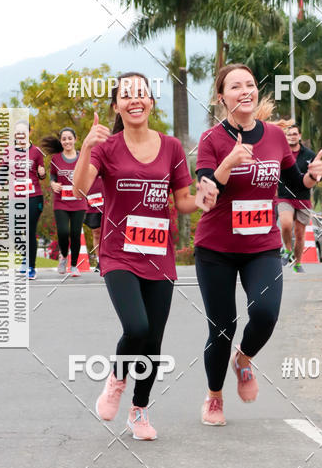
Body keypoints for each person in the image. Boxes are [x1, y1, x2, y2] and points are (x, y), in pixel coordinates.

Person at [73, 72, 217, 440]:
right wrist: (88, 146)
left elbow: (182, 201)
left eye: (142, 93)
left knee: (153, 340)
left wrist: (202, 199)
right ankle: (116, 380)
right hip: (118, 253)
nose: (135, 100)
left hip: (159, 256)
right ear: (117, 105)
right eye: (126, 95)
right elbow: (80, 188)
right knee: (135, 327)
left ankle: (139, 410)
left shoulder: (170, 147)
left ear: (151, 102)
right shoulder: (106, 147)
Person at [194, 63, 322, 426]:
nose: (245, 91)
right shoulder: (211, 140)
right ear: (222, 97)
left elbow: (294, 181)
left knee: (266, 313)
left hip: (262, 245)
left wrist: (311, 178)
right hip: (216, 248)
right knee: (222, 327)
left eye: (250, 84)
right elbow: (205, 196)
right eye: (236, 87)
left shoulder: (274, 136)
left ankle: (245, 360)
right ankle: (215, 397)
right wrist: (228, 163)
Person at [42, 128, 87, 277]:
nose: (67, 141)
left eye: (69, 138)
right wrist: (53, 184)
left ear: (75, 139)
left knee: (75, 233)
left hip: (78, 202)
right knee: (63, 231)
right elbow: (53, 177)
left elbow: (89, 177)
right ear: (61, 141)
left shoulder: (83, 157)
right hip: (61, 202)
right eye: (64, 139)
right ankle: (63, 255)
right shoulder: (56, 159)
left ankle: (73, 265)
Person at [276, 122, 316, 273]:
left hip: (303, 198)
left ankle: (298, 263)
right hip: (284, 196)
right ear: (285, 137)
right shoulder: (280, 153)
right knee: (285, 224)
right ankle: (286, 249)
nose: (292, 137)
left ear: (299, 136)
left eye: (294, 134)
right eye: (288, 134)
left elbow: (315, 176)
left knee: (300, 234)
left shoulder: (309, 155)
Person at [12, 120, 45, 279]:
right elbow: (3, 172)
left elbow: (42, 175)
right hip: (15, 198)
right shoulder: (9, 151)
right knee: (14, 230)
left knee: (30, 230)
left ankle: (31, 267)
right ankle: (25, 256)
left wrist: (42, 172)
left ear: (29, 133)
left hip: (33, 197)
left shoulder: (36, 152)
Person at [83, 173, 104, 273]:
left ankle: (113, 260)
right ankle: (100, 261)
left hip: (110, 197)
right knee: (96, 232)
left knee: (112, 232)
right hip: (93, 198)